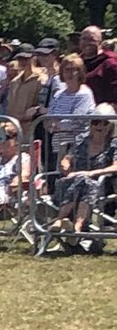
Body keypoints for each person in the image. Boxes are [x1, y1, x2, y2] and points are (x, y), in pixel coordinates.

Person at [49, 103, 117, 242]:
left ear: (111, 125)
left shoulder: (113, 144)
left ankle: (61, 220)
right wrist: (65, 163)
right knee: (82, 180)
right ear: (90, 123)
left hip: (99, 186)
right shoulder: (81, 140)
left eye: (105, 122)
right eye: (96, 122)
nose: (100, 126)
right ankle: (76, 228)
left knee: (86, 181)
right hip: (70, 184)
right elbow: (68, 157)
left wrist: (91, 173)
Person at [80, 25, 117, 105]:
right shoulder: (76, 62)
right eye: (84, 39)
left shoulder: (110, 63)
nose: (86, 43)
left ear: (100, 42)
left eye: (91, 39)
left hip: (102, 111)